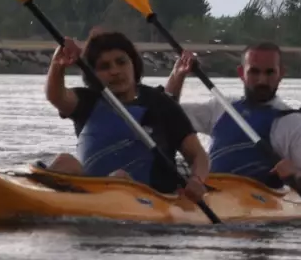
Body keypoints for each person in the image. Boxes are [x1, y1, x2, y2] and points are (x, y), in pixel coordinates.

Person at [45, 29, 209, 201]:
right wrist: (58, 63)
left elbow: (197, 155)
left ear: (133, 64)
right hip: (92, 192)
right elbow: (56, 96)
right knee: (64, 162)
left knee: (119, 177)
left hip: (152, 198)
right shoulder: (87, 101)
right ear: (92, 74)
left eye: (121, 62)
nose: (115, 71)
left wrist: (197, 180)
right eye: (104, 67)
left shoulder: (161, 104)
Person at [165, 42, 301, 192]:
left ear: (281, 73)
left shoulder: (293, 122)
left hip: (261, 201)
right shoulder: (221, 106)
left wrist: (296, 172)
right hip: (212, 191)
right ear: (241, 73)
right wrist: (178, 75)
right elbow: (167, 115)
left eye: (270, 72)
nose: (262, 80)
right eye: (254, 72)